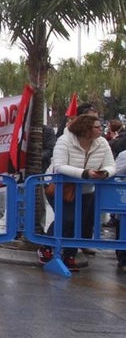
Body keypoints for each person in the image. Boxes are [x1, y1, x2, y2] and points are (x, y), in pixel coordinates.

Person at [44, 113, 114, 270]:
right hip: (62, 187)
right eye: (97, 127)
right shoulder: (65, 140)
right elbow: (59, 166)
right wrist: (84, 173)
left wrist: (105, 172)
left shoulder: (102, 143)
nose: (100, 130)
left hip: (87, 189)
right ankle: (47, 248)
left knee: (80, 222)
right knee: (67, 219)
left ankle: (69, 255)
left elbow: (111, 165)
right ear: (85, 129)